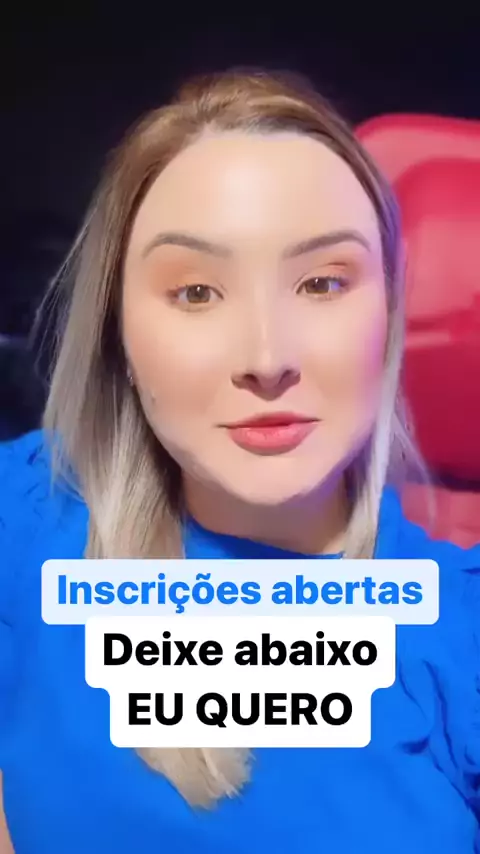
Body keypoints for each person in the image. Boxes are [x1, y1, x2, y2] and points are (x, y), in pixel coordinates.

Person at [0, 68, 478, 854]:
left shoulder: (461, 639)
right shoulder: (27, 514)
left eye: (322, 282)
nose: (266, 356)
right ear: (121, 335)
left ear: (389, 313)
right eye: (196, 293)